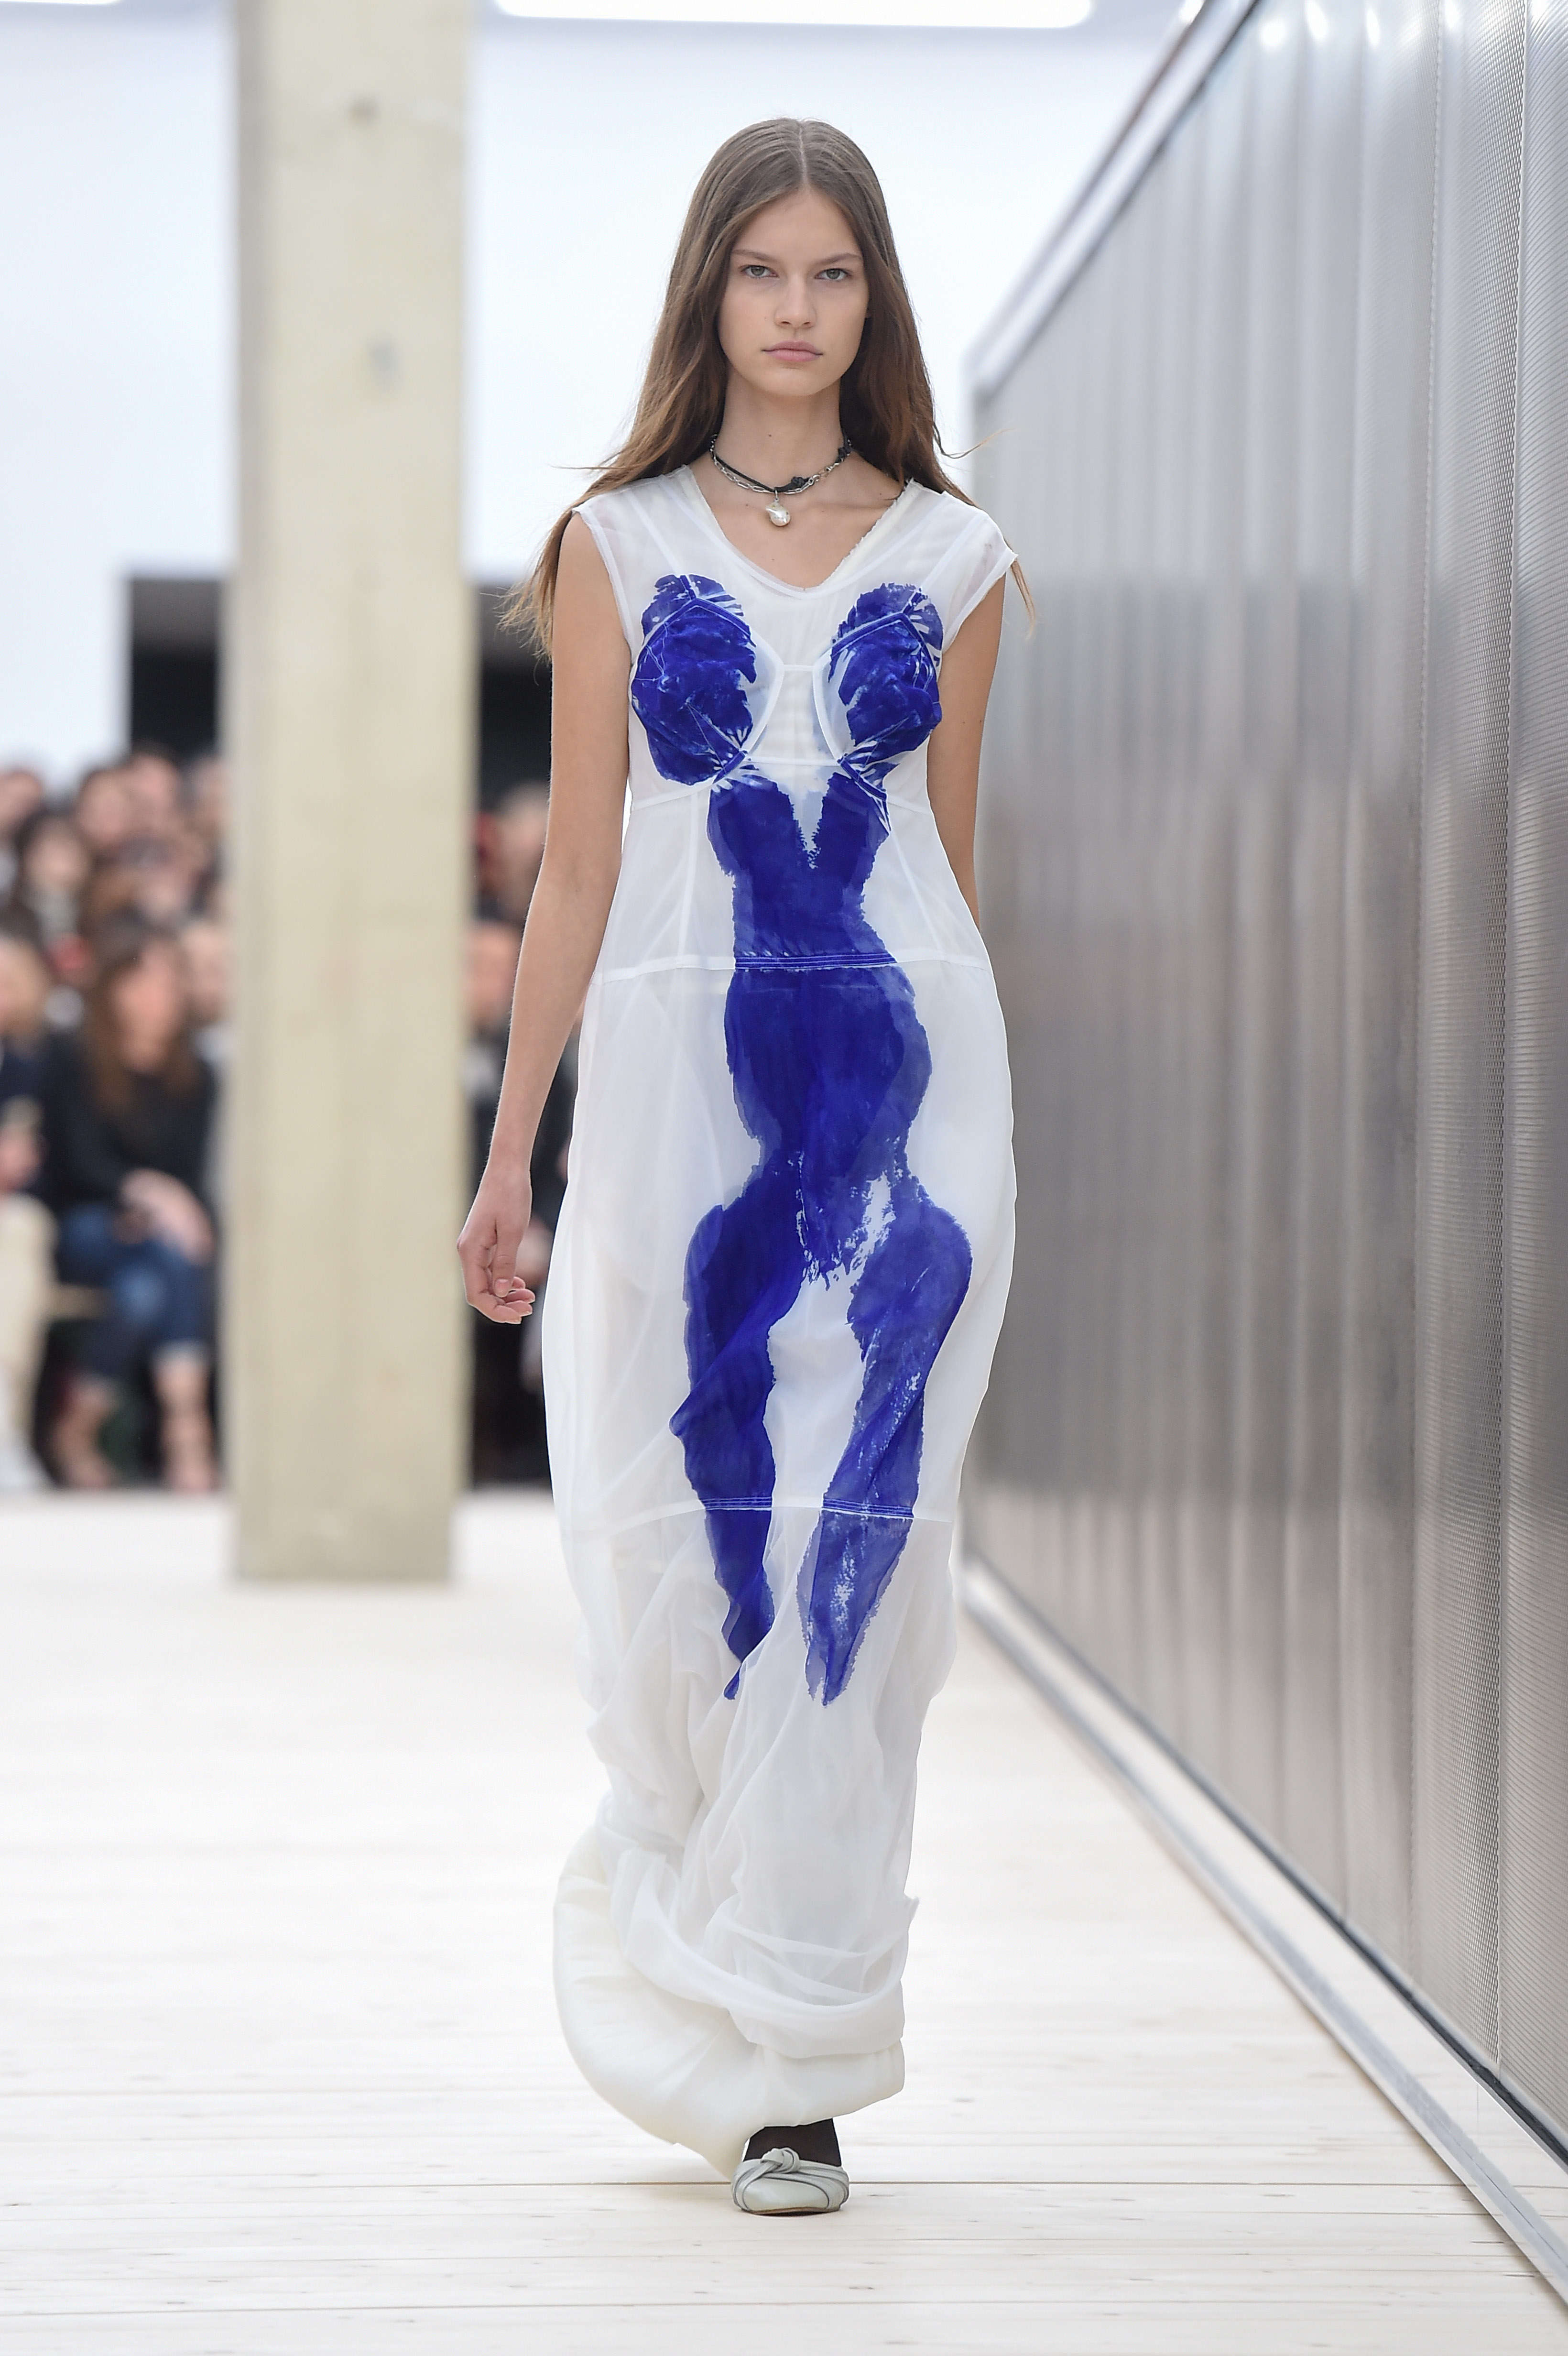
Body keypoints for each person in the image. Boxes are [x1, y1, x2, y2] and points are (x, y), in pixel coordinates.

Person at [458, 118, 1019, 2217]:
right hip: (676, 1099)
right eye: (762, 270)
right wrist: (510, 1155)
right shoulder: (612, 542)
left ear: (876, 301)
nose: (796, 309)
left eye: (833, 273)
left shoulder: (958, 559)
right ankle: (713, 1977)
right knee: (691, 1543)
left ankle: (797, 2062)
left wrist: (991, 1138)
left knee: (858, 1547)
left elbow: (959, 869)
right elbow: (580, 870)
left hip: (906, 1095)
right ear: (709, 289)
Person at [41, 917, 218, 1492]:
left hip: (156, 1237)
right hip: (88, 1223)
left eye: (169, 981)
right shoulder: (74, 1057)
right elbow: (79, 1163)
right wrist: (147, 1193)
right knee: (167, 1257)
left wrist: (165, 1205)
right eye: (143, 980)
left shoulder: (196, 1072)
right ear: (113, 987)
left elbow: (190, 1171)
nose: (158, 995)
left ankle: (77, 1430)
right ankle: (188, 1433)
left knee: (144, 1290)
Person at [0, 925, 54, 1489]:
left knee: (21, 1229)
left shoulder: (33, 1066)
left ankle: (4, 1424)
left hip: (11, 1209)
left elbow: (53, 1166)